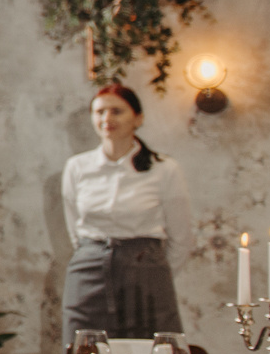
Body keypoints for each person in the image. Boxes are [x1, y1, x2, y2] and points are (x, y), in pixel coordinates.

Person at [62, 82, 192, 339]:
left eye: (117, 111)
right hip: (88, 274)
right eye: (100, 112)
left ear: (138, 118)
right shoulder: (77, 167)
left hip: (146, 276)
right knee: (85, 349)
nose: (107, 119)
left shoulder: (164, 169)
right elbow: (75, 230)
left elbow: (181, 239)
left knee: (152, 351)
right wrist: (96, 255)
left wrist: (150, 269)